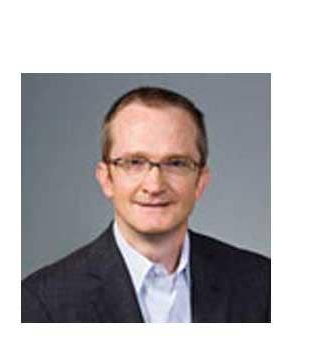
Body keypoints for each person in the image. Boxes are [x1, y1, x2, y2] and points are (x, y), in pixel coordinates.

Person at [21, 86, 270, 323]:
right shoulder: (42, 302)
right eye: (134, 162)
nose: (154, 185)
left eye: (176, 163)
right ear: (106, 179)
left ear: (200, 182)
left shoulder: (263, 284)